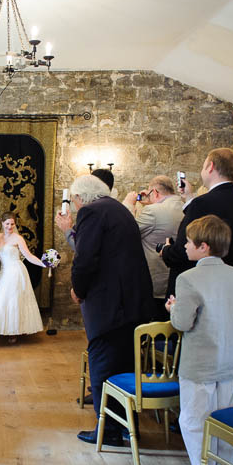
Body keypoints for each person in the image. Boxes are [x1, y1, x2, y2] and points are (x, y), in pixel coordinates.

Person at [166, 215, 233, 465]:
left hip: (200, 362)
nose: (184, 246)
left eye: (188, 242)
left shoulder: (188, 278)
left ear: (204, 246)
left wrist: (173, 308)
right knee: (224, 424)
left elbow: (183, 323)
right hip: (228, 361)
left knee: (194, 421)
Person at [70, 174, 154, 447]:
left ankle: (109, 430)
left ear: (81, 197)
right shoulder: (119, 209)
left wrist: (78, 289)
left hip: (109, 304)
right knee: (125, 365)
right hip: (132, 301)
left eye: (74, 200)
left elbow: (85, 260)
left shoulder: (91, 212)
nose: (73, 205)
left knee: (104, 363)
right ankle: (127, 427)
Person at [160, 148, 233, 297]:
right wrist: (189, 197)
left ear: (211, 167)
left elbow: (183, 250)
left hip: (197, 286)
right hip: (225, 284)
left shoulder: (202, 203)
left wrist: (166, 251)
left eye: (203, 166)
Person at [0, 211, 45, 343]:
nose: (10, 227)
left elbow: (29, 256)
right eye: (7, 224)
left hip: (17, 272)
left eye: (12, 224)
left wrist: (43, 263)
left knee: (10, 301)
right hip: (5, 272)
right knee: (3, 301)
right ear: (2, 223)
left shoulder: (18, 239)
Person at [122, 175, 184, 319]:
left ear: (155, 192)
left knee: (153, 323)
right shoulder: (184, 206)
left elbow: (128, 232)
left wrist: (129, 204)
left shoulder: (153, 211)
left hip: (156, 280)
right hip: (177, 277)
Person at [55, 168, 115, 252]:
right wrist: (69, 225)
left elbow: (82, 249)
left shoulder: (95, 212)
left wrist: (67, 229)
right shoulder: (112, 206)